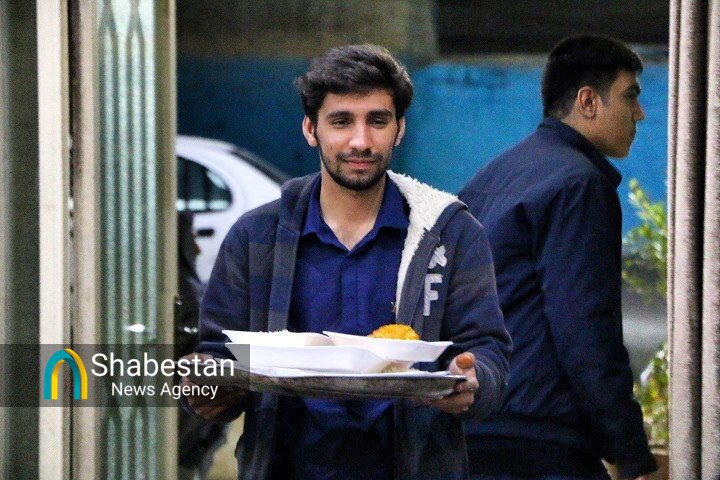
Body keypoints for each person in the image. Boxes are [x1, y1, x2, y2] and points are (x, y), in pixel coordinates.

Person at [181, 44, 512, 480]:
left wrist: (471, 379)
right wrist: (206, 385)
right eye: (341, 121)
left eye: (378, 120)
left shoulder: (450, 233)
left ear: (399, 129)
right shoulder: (256, 236)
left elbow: (488, 353)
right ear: (310, 129)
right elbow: (216, 356)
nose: (361, 141)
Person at [458, 35, 657, 480]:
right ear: (588, 101)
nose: (640, 113)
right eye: (630, 96)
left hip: (472, 428)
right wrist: (629, 449)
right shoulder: (579, 184)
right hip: (540, 443)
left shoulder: (489, 178)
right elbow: (585, 325)